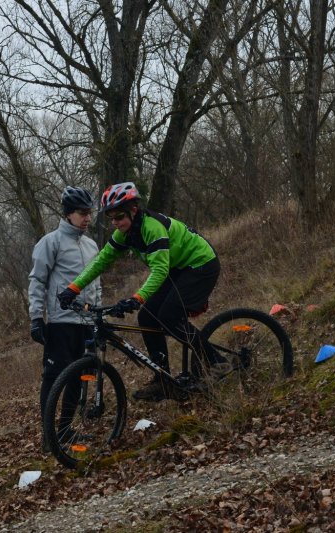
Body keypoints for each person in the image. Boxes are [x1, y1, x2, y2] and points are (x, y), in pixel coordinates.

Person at [57, 181, 228, 402]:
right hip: (178, 269)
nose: (116, 223)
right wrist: (73, 288)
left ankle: (216, 361)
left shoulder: (152, 227)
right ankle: (163, 379)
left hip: (200, 265)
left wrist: (137, 298)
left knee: (169, 316)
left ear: (134, 210)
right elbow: (101, 262)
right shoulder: (125, 234)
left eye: (120, 217)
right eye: (112, 219)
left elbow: (159, 270)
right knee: (147, 316)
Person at [28, 186, 101, 451]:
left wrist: (98, 317)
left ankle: (66, 430)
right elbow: (37, 280)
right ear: (68, 214)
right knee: (53, 376)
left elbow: (97, 284)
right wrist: (36, 317)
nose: (87, 218)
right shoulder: (51, 242)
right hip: (61, 322)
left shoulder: (92, 245)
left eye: (89, 213)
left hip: (87, 322)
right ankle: (49, 436)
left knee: (78, 376)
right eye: (82, 213)